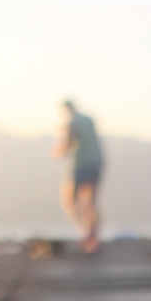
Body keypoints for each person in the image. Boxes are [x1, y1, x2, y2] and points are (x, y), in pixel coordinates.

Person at [51, 100, 103, 253]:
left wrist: (57, 151)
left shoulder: (71, 123)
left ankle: (85, 233)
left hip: (81, 165)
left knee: (70, 201)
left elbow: (64, 148)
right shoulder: (89, 120)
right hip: (97, 163)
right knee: (91, 203)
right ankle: (92, 236)